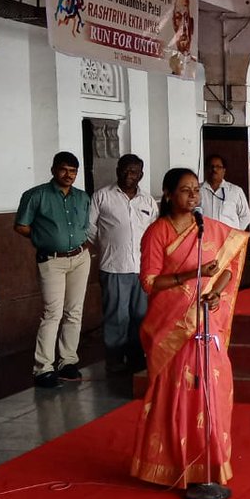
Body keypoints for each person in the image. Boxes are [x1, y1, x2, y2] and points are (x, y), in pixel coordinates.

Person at [132, 168, 249, 490]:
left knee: (214, 390)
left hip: (205, 327)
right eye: (185, 190)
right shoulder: (157, 232)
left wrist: (216, 292)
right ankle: (171, 465)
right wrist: (190, 276)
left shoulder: (208, 228)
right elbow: (150, 282)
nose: (193, 195)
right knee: (179, 396)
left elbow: (228, 265)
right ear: (168, 194)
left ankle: (209, 463)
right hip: (173, 329)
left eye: (196, 189)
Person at [14, 152, 92, 388]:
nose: (68, 175)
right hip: (51, 260)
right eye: (64, 169)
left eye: (73, 171)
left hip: (80, 258)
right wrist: (43, 238)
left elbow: (85, 225)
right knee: (52, 313)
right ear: (53, 169)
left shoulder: (82, 197)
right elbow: (21, 226)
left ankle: (68, 362)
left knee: (74, 312)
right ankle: (43, 368)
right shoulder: (36, 195)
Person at [87, 154, 159, 375]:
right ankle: (115, 359)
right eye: (125, 170)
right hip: (114, 267)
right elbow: (90, 230)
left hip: (142, 269)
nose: (129, 175)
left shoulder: (147, 201)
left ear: (141, 175)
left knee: (140, 316)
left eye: (134, 172)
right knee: (116, 316)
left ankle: (137, 358)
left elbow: (155, 233)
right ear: (117, 170)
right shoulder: (102, 196)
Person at [199, 155, 250, 231]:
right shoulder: (198, 190)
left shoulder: (235, 191)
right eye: (211, 166)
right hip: (205, 238)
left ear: (224, 170)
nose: (214, 169)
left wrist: (235, 234)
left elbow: (245, 216)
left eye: (218, 167)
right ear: (206, 169)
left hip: (228, 240)